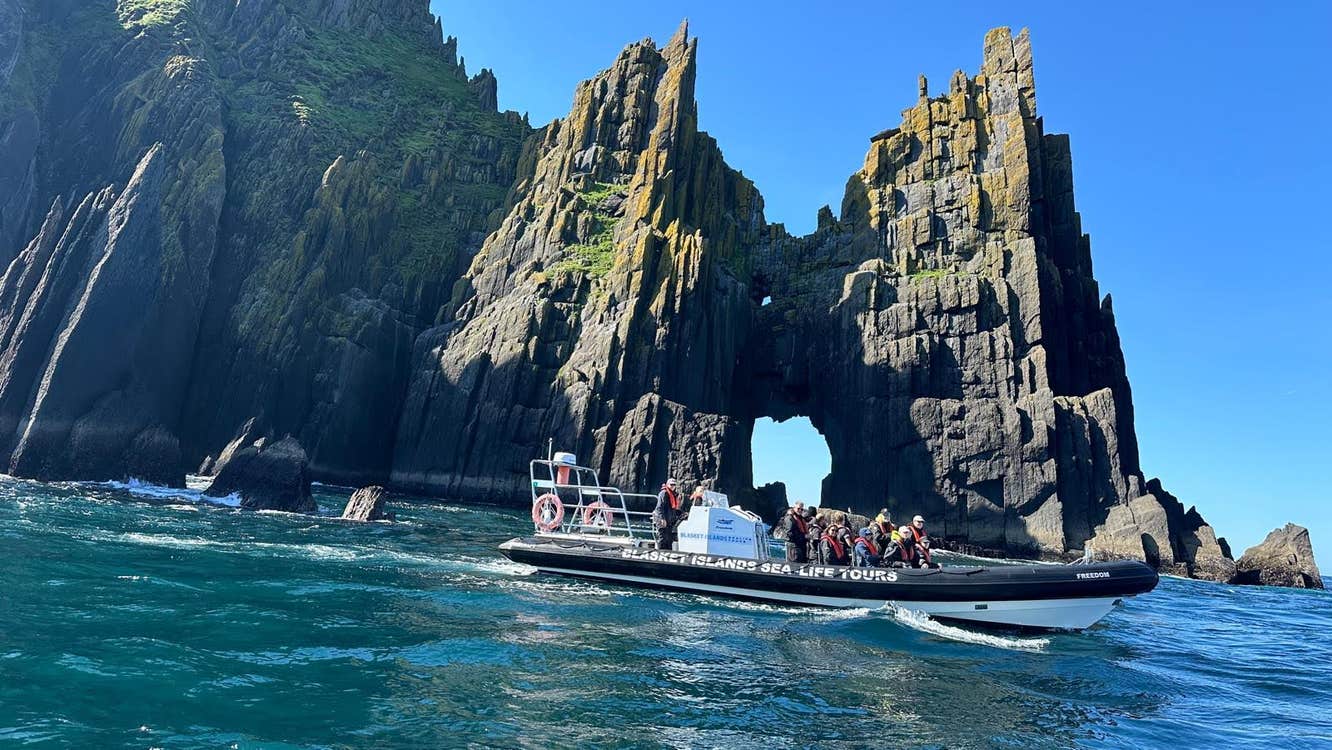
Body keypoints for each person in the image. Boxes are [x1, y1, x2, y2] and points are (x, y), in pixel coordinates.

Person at [652, 478, 684, 550]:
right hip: (662, 519)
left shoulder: (674, 495)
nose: (673, 486)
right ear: (667, 485)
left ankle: (669, 554)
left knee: (669, 540)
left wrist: (681, 513)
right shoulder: (664, 493)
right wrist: (662, 519)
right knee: (662, 538)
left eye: (674, 485)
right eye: (671, 484)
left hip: (669, 520)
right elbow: (659, 507)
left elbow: (673, 509)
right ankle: (660, 554)